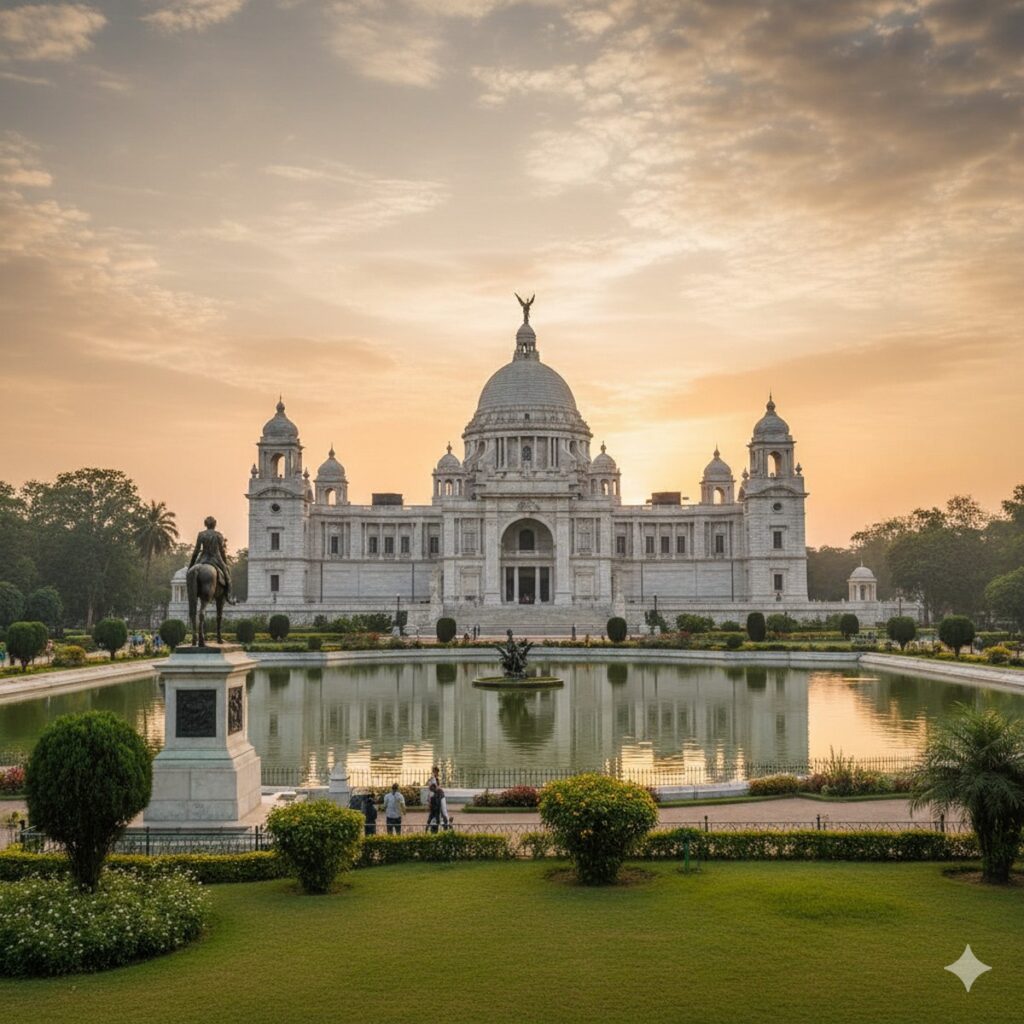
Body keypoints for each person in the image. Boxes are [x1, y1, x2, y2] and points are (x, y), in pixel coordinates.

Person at [189, 515, 234, 603]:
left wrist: (191, 565)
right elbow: (222, 551)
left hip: (203, 558)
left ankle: (191, 594)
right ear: (215, 524)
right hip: (216, 558)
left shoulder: (201, 534)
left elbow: (196, 551)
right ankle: (228, 596)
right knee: (227, 576)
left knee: (190, 575)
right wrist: (225, 564)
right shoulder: (218, 535)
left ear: (205, 524)